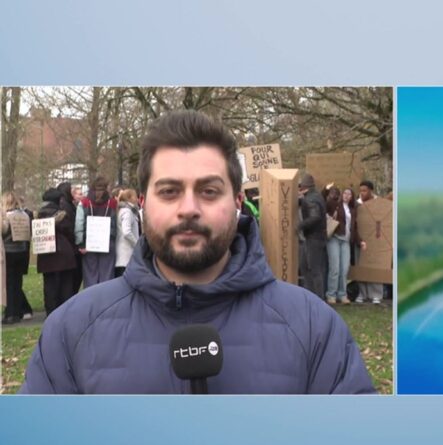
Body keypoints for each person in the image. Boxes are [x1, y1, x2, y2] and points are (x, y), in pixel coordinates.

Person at [20, 110, 374, 394]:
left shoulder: (314, 329)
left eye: (208, 191)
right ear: (143, 204)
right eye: (170, 191)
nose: (188, 208)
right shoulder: (70, 330)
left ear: (237, 202)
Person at [36, 188, 77, 316]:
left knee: (49, 285)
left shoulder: (38, 216)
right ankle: (65, 313)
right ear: (59, 200)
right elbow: (70, 232)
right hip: (64, 254)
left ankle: (51, 312)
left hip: (45, 254)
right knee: (66, 285)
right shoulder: (63, 215)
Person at [75, 176, 117, 288]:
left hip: (89, 244)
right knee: (107, 277)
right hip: (107, 242)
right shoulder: (112, 203)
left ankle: (91, 303)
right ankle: (106, 303)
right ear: (106, 187)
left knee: (90, 277)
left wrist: (81, 243)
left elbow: (79, 224)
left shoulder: (84, 202)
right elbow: (115, 224)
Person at [325, 187, 365, 305]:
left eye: (349, 194)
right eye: (345, 193)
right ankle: (331, 294)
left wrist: (360, 241)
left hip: (346, 241)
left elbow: (354, 228)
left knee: (344, 269)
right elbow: (326, 202)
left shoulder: (353, 210)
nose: (347, 195)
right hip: (334, 239)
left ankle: (342, 295)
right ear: (342, 195)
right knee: (335, 268)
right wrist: (326, 189)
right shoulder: (335, 205)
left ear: (352, 197)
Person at [2, 192, 31, 324]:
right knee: (17, 283)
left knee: (8, 284)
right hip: (21, 252)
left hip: (8, 252)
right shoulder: (24, 215)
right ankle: (18, 311)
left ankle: (10, 313)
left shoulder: (7, 217)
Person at [297, 174, 327, 300]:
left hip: (313, 238)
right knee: (305, 266)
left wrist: (299, 226)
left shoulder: (310, 199)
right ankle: (312, 296)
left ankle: (318, 299)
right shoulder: (315, 196)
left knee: (314, 270)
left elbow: (315, 216)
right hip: (316, 237)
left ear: (304, 187)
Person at [355, 180, 383, 304]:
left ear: (371, 190)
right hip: (360, 239)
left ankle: (376, 294)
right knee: (360, 265)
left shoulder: (380, 203)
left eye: (364, 190)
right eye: (360, 191)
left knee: (375, 266)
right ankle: (362, 293)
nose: (362, 193)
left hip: (376, 239)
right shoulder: (357, 204)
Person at [114, 188, 141, 277]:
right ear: (130, 198)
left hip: (124, 255)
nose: (137, 199)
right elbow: (127, 232)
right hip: (126, 255)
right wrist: (137, 244)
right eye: (135, 197)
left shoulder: (123, 210)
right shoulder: (127, 212)